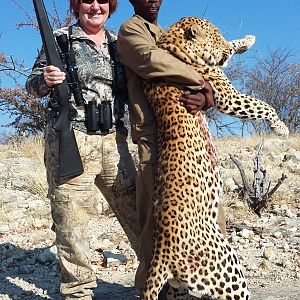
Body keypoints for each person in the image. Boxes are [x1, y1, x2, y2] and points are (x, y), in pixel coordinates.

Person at [26, 1, 140, 299]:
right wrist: (46, 80)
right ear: (77, 7)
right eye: (87, 0)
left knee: (141, 211)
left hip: (116, 140)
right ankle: (78, 290)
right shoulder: (60, 39)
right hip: (73, 139)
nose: (95, 6)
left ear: (110, 7)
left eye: (102, 0)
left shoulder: (121, 45)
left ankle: (157, 279)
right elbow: (32, 86)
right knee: (70, 220)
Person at [117, 0, 226, 297]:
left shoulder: (169, 32)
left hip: (192, 145)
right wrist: (200, 80)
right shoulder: (131, 30)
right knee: (160, 231)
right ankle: (150, 291)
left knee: (209, 222)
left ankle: (198, 287)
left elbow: (201, 75)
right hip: (157, 144)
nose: (152, 0)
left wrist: (207, 97)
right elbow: (151, 60)